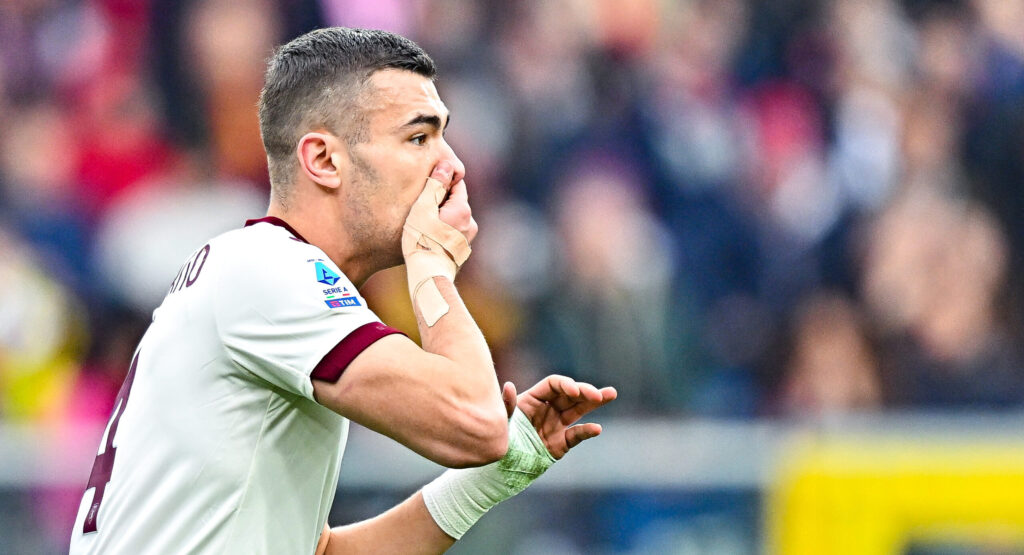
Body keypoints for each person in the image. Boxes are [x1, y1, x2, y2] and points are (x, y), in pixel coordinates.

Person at [68, 27, 616, 554]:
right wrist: (431, 265)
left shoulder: (258, 274)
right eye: (419, 138)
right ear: (324, 160)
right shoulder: (271, 270)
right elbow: (475, 421)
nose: (452, 165)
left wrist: (487, 481)